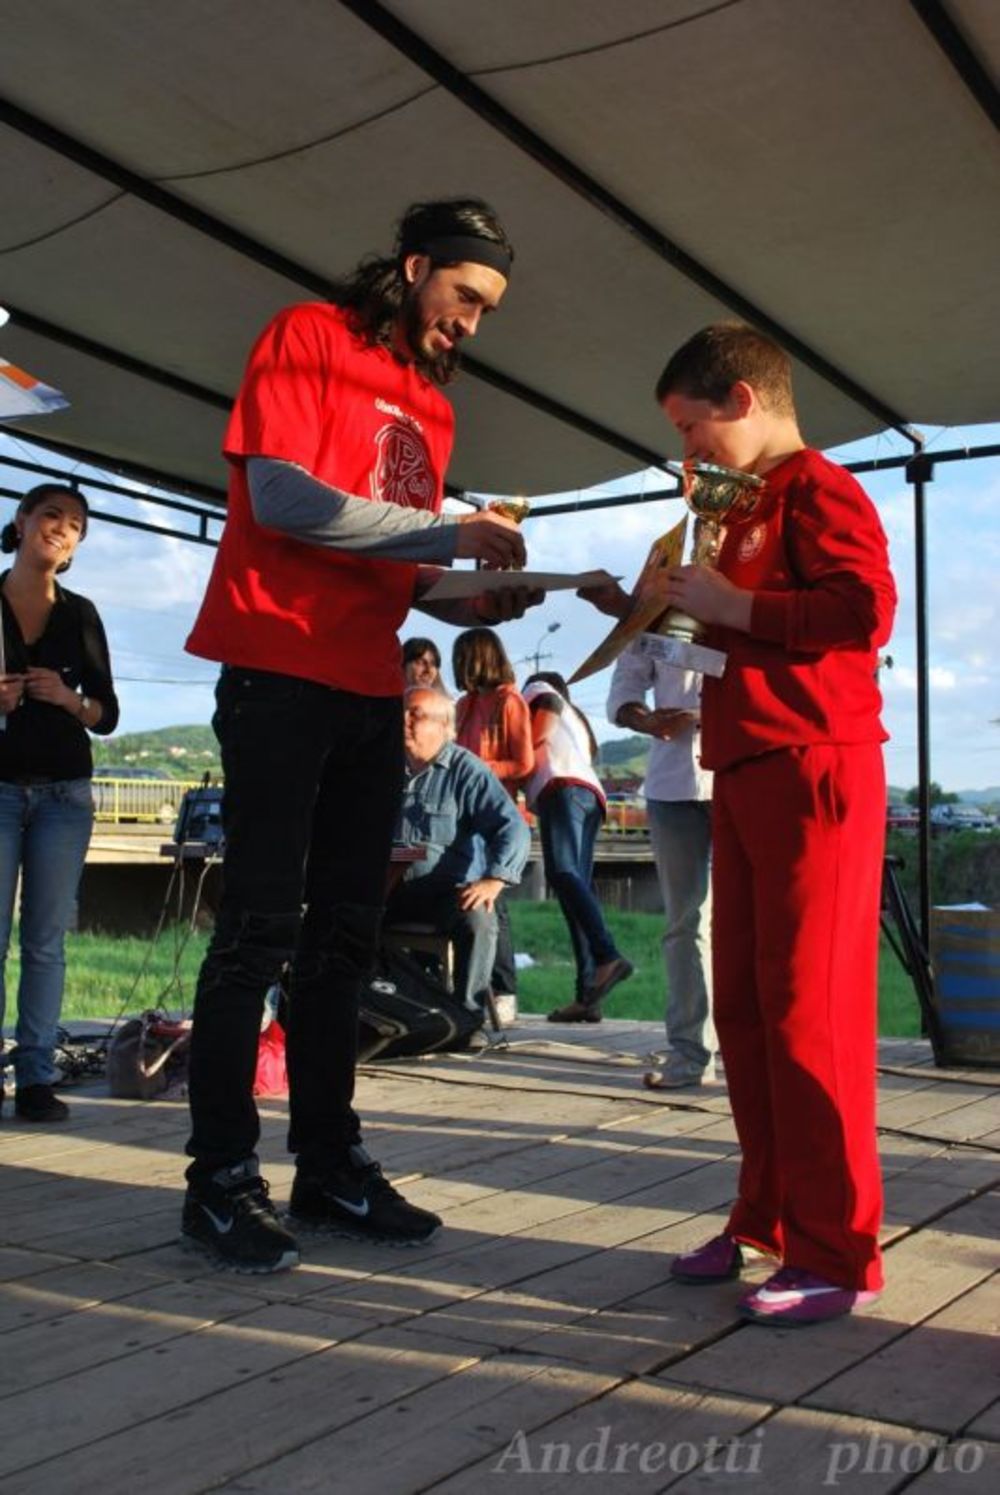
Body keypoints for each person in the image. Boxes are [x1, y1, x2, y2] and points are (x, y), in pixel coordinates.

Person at [181, 198, 538, 1273]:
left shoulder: (432, 408)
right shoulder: (307, 337)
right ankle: (219, 1180)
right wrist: (448, 531)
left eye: (488, 310)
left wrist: (471, 598)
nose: (472, 322)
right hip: (277, 669)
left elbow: (396, 561)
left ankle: (328, 1163)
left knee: (344, 936)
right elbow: (286, 499)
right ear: (416, 265)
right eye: (465, 296)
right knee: (256, 929)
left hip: (364, 688)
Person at [653, 322, 896, 1326]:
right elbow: (734, 629)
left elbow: (863, 609)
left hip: (817, 768)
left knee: (810, 1012)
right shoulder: (741, 503)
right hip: (746, 767)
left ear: (743, 400)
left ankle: (838, 1252)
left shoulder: (819, 488)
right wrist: (683, 606)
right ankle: (765, 1217)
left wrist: (729, 605)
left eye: (692, 428)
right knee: (746, 1007)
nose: (687, 454)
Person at [0, 484, 119, 1122]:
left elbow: (108, 714)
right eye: (52, 515)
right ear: (21, 522)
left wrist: (70, 701)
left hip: (65, 795)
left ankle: (39, 1075)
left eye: (75, 524)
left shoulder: (82, 614)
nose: (62, 529)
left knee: (46, 942)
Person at [605, 641, 714, 1086]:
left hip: (746, 772)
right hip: (673, 784)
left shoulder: (755, 587)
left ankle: (764, 1049)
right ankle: (691, 1053)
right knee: (686, 922)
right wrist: (644, 719)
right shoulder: (658, 600)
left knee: (756, 920)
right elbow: (625, 682)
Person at [387, 687, 530, 1016]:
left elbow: (512, 826)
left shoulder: (467, 770)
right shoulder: (384, 766)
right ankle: (375, 1010)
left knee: (478, 918)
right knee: (336, 910)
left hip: (445, 895)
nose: (404, 720)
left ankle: (468, 1017)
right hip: (389, 888)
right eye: (402, 712)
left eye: (416, 715)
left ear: (443, 725)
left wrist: (494, 880)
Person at [520, 671, 632, 1022]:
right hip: (590, 797)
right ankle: (588, 997)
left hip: (561, 788)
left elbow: (548, 702)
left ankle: (607, 955)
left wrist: (527, 753)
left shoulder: (542, 691)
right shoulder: (579, 724)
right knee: (574, 893)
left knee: (563, 872)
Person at [452, 627, 534, 1017]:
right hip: (460, 818)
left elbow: (524, 763)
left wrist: (476, 769)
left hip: (495, 814)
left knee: (492, 904)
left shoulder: (510, 701)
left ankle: (503, 991)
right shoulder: (464, 704)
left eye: (463, 656)